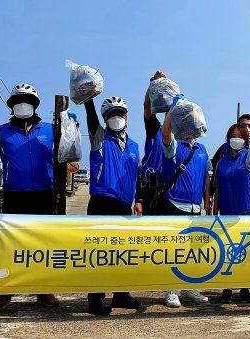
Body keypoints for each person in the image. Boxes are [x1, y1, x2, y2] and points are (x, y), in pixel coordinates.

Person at [0, 83, 59, 310]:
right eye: (17, 101)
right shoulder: (2, 131)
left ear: (35, 105)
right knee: (10, 244)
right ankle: (5, 292)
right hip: (15, 194)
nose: (22, 104)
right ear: (11, 105)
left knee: (43, 243)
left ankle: (44, 291)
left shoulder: (50, 130)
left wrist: (70, 127)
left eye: (26, 100)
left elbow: (68, 153)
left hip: (45, 193)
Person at [82, 96, 141, 316]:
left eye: (120, 114)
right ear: (105, 118)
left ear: (126, 117)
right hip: (101, 201)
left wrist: (139, 200)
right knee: (98, 252)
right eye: (112, 114)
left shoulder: (134, 145)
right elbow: (91, 120)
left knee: (123, 252)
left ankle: (121, 294)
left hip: (124, 204)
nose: (117, 118)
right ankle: (96, 298)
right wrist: (88, 100)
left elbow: (137, 174)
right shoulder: (99, 138)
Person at [160, 95, 212, 308]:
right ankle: (172, 290)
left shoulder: (202, 150)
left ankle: (190, 287)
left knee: (193, 250)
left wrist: (207, 203)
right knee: (175, 248)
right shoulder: (174, 145)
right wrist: (173, 110)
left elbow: (207, 177)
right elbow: (165, 133)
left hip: (194, 207)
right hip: (175, 203)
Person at [213, 124, 250, 303]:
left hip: (248, 210)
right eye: (233, 135)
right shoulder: (221, 162)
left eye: (240, 136)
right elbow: (217, 188)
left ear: (246, 140)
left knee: (245, 251)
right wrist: (214, 210)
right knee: (227, 250)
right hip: (227, 211)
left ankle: (245, 288)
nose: (236, 139)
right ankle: (227, 288)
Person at [138, 70, 169, 215]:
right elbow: (147, 108)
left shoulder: (180, 139)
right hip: (149, 190)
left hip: (169, 193)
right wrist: (153, 85)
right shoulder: (154, 130)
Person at [209, 114, 250, 202]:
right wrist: (211, 195)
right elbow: (215, 172)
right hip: (227, 206)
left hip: (249, 206)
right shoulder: (223, 150)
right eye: (243, 125)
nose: (246, 128)